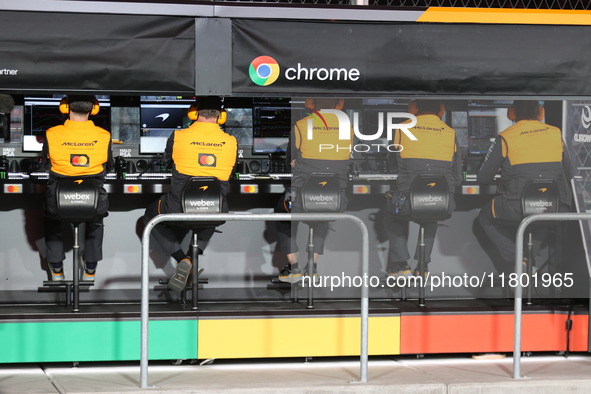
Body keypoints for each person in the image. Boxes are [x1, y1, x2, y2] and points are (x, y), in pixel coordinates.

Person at [144, 96, 237, 292]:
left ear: (193, 112)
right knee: (211, 214)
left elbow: (167, 162)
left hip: (178, 209)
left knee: (150, 215)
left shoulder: (178, 136)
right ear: (221, 116)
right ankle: (191, 259)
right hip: (215, 208)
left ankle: (182, 260)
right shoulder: (231, 141)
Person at [478, 100, 573, 272]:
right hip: (558, 207)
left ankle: (517, 259)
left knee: (484, 217)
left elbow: (483, 178)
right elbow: (570, 173)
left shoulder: (506, 136)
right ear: (541, 113)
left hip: (518, 207)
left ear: (512, 113)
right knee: (542, 212)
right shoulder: (556, 133)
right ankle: (526, 260)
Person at [275, 98, 352, 283]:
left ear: (311, 103)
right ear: (338, 104)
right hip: (336, 201)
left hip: (302, 201)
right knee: (322, 209)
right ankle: (312, 267)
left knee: (282, 211)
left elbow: (290, 162)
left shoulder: (301, 125)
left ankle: (293, 268)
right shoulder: (347, 127)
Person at [383, 100, 462, 277]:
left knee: (391, 212)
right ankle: (423, 266)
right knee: (432, 208)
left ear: (416, 109)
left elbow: (392, 161)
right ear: (441, 109)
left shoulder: (401, 128)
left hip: (407, 204)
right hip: (442, 203)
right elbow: (457, 174)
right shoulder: (450, 132)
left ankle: (402, 265)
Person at [43, 95, 113, 282]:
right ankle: (90, 268)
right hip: (93, 200)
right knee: (96, 218)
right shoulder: (104, 135)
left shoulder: (51, 133)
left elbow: (45, 165)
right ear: (94, 109)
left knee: (51, 218)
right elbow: (109, 166)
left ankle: (57, 268)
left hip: (58, 201)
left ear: (65, 108)